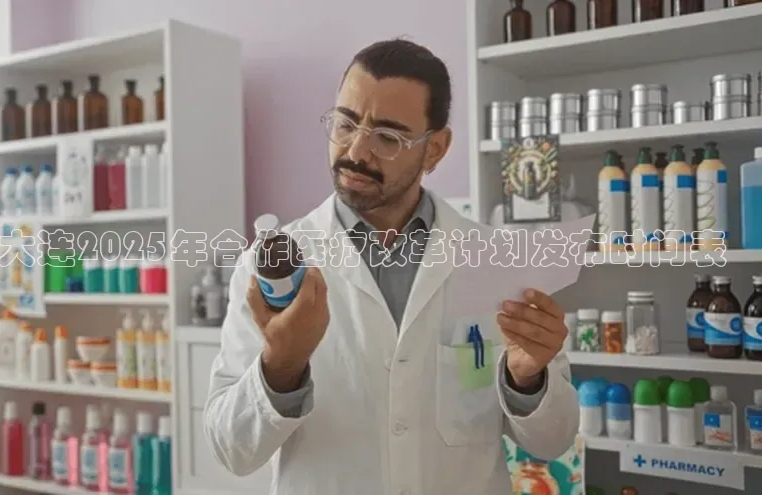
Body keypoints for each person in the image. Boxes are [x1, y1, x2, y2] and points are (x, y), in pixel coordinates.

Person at [203, 38, 579, 495]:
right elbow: (231, 450)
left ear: (435, 148)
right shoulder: (272, 268)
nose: (356, 152)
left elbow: (553, 440)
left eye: (387, 137)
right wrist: (280, 367)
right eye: (345, 124)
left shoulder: (500, 261)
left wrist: (528, 379)